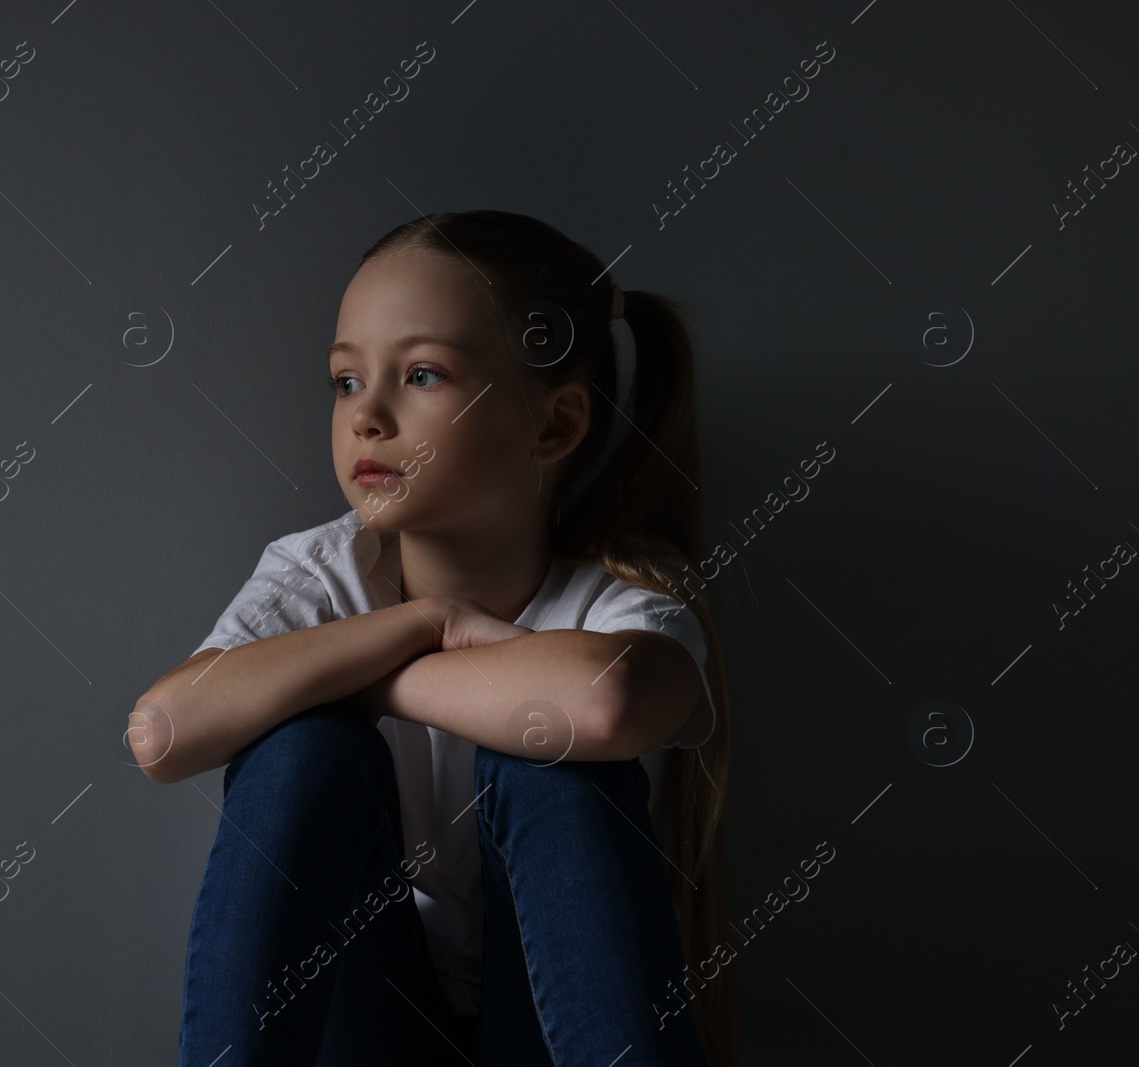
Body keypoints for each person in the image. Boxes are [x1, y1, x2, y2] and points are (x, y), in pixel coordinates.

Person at [130, 209, 739, 1066]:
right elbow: (161, 732)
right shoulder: (322, 574)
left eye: (421, 374)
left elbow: (607, 702)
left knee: (546, 751)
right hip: (380, 1033)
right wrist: (423, 624)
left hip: (551, 1035)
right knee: (302, 750)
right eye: (346, 382)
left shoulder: (621, 602)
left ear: (554, 425)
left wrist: (376, 669)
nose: (368, 416)